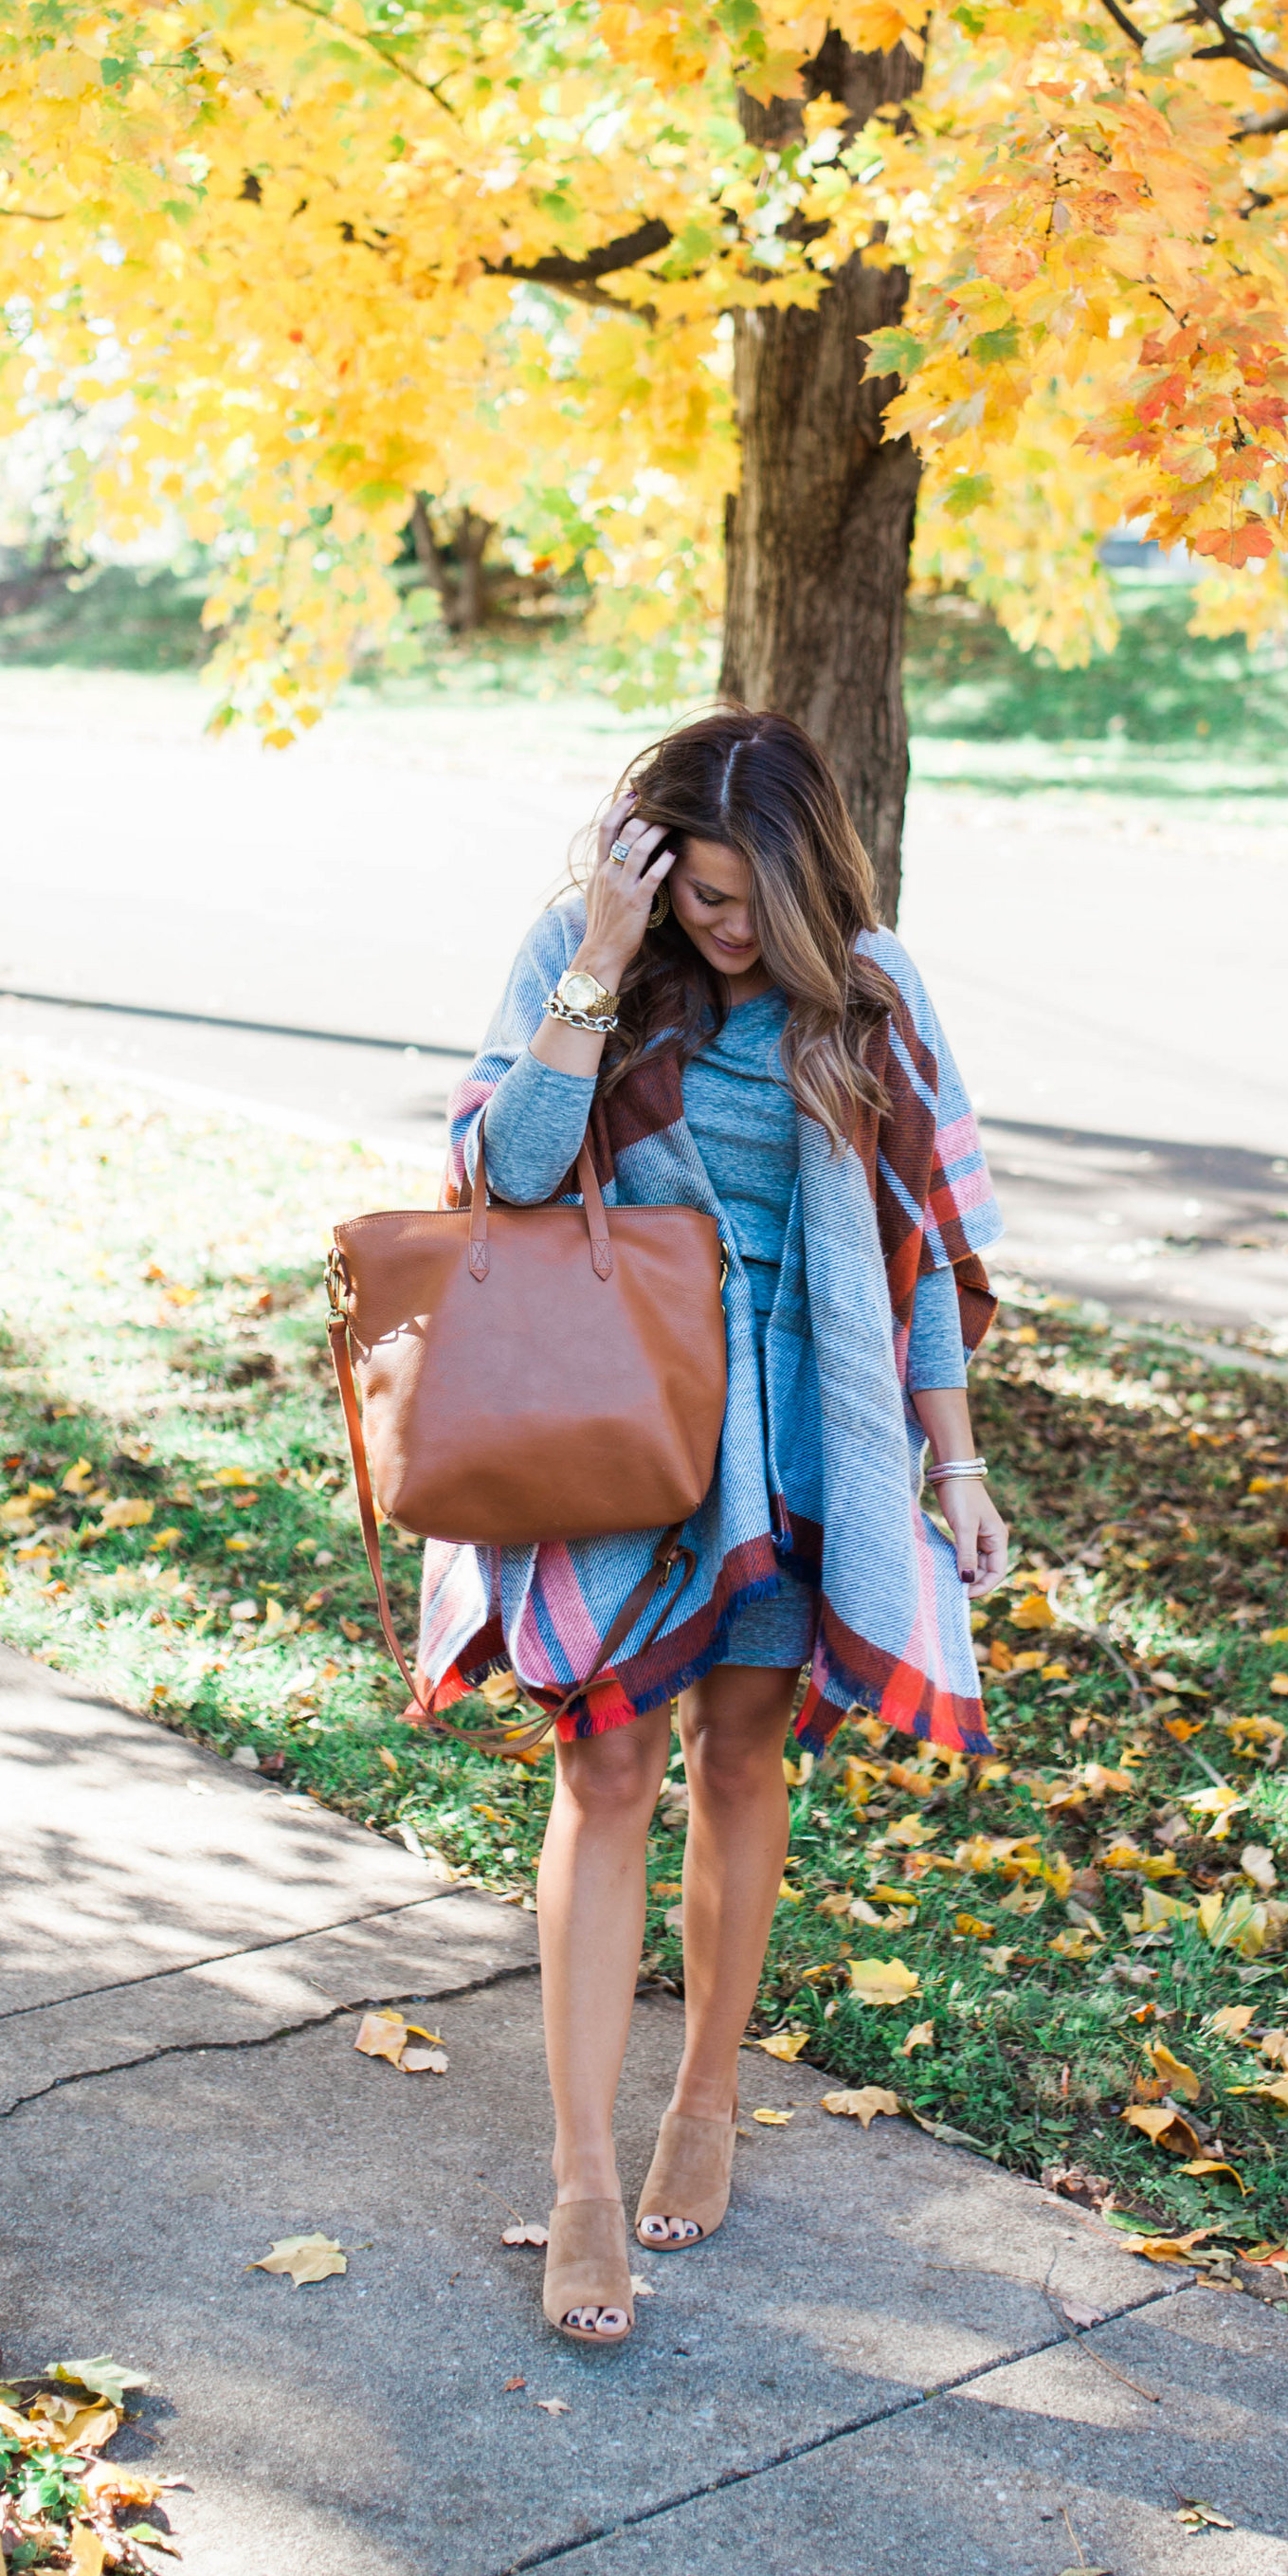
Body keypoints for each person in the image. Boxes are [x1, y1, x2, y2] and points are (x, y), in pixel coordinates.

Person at [416, 708, 1009, 2349]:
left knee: (742, 1763)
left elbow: (918, 1264)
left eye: (747, 902)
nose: (719, 927)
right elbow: (504, 1181)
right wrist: (604, 954)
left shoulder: (871, 991)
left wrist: (955, 1469)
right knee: (608, 1766)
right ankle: (585, 2177)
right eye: (696, 894)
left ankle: (708, 2092)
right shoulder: (590, 942)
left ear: (813, 881)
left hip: (807, 1420)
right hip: (615, 1403)